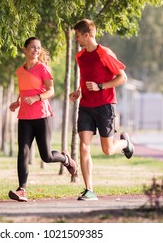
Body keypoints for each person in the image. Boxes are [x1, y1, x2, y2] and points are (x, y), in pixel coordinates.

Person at [69, 19, 134, 201]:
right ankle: (89, 190)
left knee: (108, 149)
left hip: (105, 105)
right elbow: (85, 78)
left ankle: (125, 144)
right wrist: (78, 92)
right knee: (84, 145)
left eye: (78, 36)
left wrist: (100, 86)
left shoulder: (104, 53)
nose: (76, 39)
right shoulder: (80, 57)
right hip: (86, 106)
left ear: (87, 35)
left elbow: (123, 78)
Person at [8, 37, 77, 202]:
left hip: (41, 115)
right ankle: (22, 189)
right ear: (24, 49)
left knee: (46, 156)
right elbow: (24, 90)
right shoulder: (20, 70)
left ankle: (66, 159)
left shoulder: (42, 68)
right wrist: (17, 102)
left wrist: (37, 98)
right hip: (24, 116)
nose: (36, 50)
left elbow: (51, 91)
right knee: (23, 152)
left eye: (38, 48)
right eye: (32, 47)